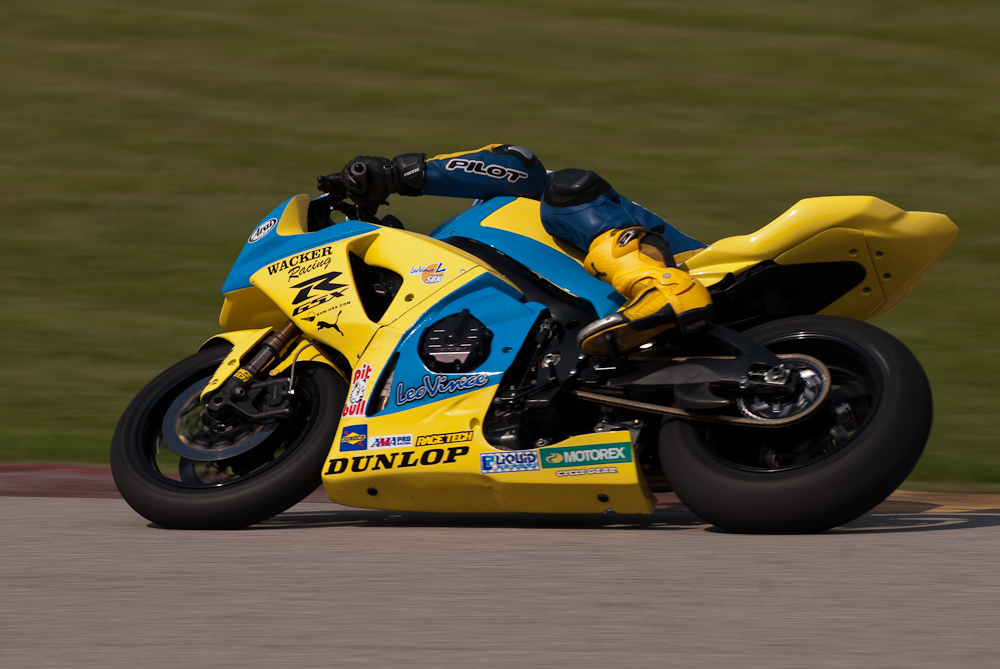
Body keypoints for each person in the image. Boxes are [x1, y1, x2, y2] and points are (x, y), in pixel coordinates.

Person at [324, 144, 713, 356]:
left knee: (565, 188)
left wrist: (396, 175)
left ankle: (660, 287)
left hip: (695, 268)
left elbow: (518, 163)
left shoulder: (494, 212)